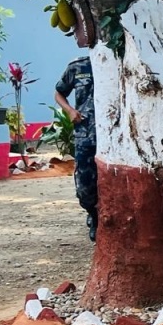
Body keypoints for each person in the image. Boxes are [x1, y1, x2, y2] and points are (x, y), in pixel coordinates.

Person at [54, 56, 98, 242]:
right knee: (85, 184)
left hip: (116, 136)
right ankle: (93, 213)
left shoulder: (120, 61)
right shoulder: (78, 66)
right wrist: (70, 111)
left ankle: (102, 219)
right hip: (86, 135)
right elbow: (59, 93)